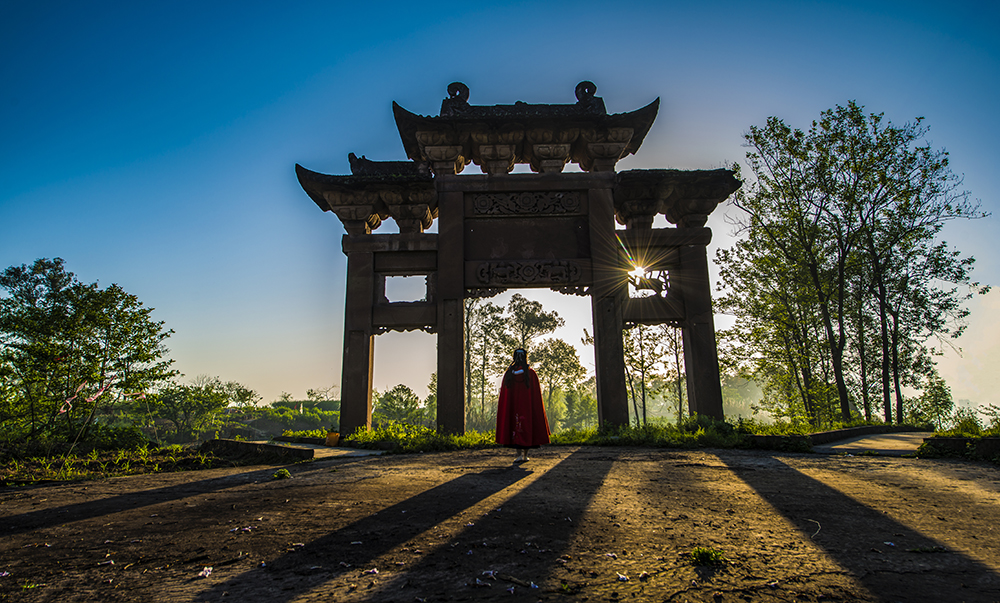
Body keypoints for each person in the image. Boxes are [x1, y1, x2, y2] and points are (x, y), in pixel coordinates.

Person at [495, 348, 550, 463]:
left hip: (514, 407)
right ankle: (525, 455)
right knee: (526, 426)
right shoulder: (530, 374)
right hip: (527, 408)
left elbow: (505, 395)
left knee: (515, 426)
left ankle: (519, 455)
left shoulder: (509, 374)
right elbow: (535, 395)